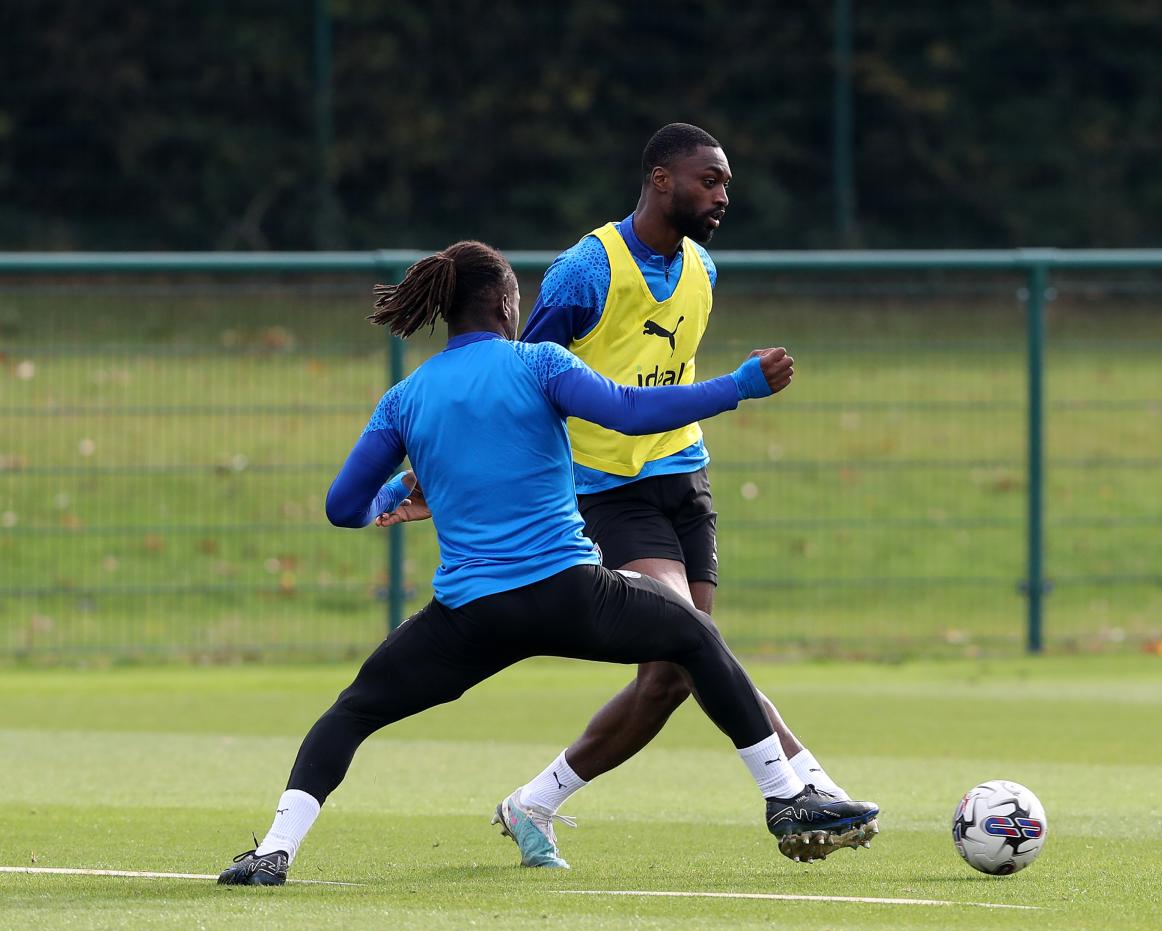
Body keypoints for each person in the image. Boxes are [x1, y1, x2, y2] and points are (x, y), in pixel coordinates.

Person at [215, 240, 878, 886]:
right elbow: (626, 411)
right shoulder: (539, 364)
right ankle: (786, 796)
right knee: (694, 634)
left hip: (470, 618)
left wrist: (396, 493)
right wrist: (739, 385)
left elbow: (341, 507)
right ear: (506, 302)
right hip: (570, 596)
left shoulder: (407, 398)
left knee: (353, 712)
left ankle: (274, 852)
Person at [485, 123, 878, 867]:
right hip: (610, 491)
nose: (723, 195)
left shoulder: (703, 268)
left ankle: (533, 801)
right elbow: (523, 380)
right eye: (711, 180)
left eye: (726, 182)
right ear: (661, 179)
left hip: (685, 481)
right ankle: (803, 786)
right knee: (697, 641)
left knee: (673, 672)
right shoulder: (585, 271)